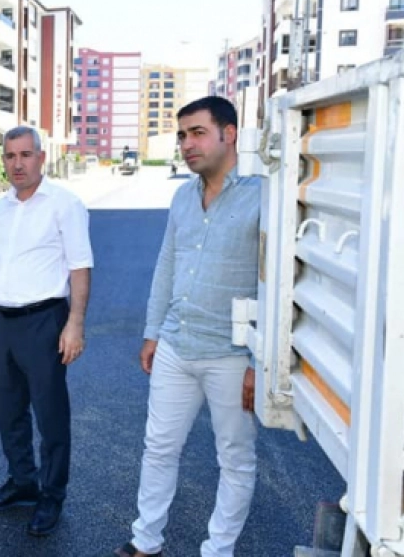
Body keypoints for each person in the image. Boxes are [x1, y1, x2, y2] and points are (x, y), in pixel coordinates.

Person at [106, 96, 260, 557]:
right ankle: (145, 543)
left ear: (228, 134)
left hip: (233, 354)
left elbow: (278, 282)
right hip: (177, 343)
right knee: (158, 448)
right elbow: (167, 266)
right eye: (181, 135)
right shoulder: (181, 196)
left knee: (235, 460)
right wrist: (154, 333)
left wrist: (260, 359)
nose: (187, 144)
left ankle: (218, 550)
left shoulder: (264, 196)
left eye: (197, 132)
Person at [0, 126, 93, 537]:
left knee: (50, 414)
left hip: (45, 321)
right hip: (4, 320)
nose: (17, 163)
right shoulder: (1, 208)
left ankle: (51, 494)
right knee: (9, 412)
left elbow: (79, 266)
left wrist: (74, 323)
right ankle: (23, 482)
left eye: (25, 154)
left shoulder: (65, 204)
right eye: (10, 156)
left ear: (41, 158)